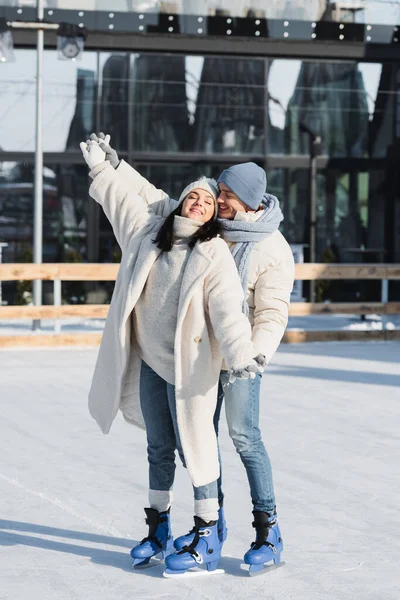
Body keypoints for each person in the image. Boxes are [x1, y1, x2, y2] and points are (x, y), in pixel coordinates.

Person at [86, 133, 295, 573]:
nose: (218, 200)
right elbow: (151, 199)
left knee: (244, 437)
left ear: (250, 201)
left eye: (227, 195)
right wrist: (116, 167)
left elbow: (271, 312)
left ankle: (268, 530)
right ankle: (211, 527)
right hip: (199, 355)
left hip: (241, 360)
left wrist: (253, 357)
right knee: (195, 442)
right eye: (216, 192)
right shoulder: (206, 229)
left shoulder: (270, 247)